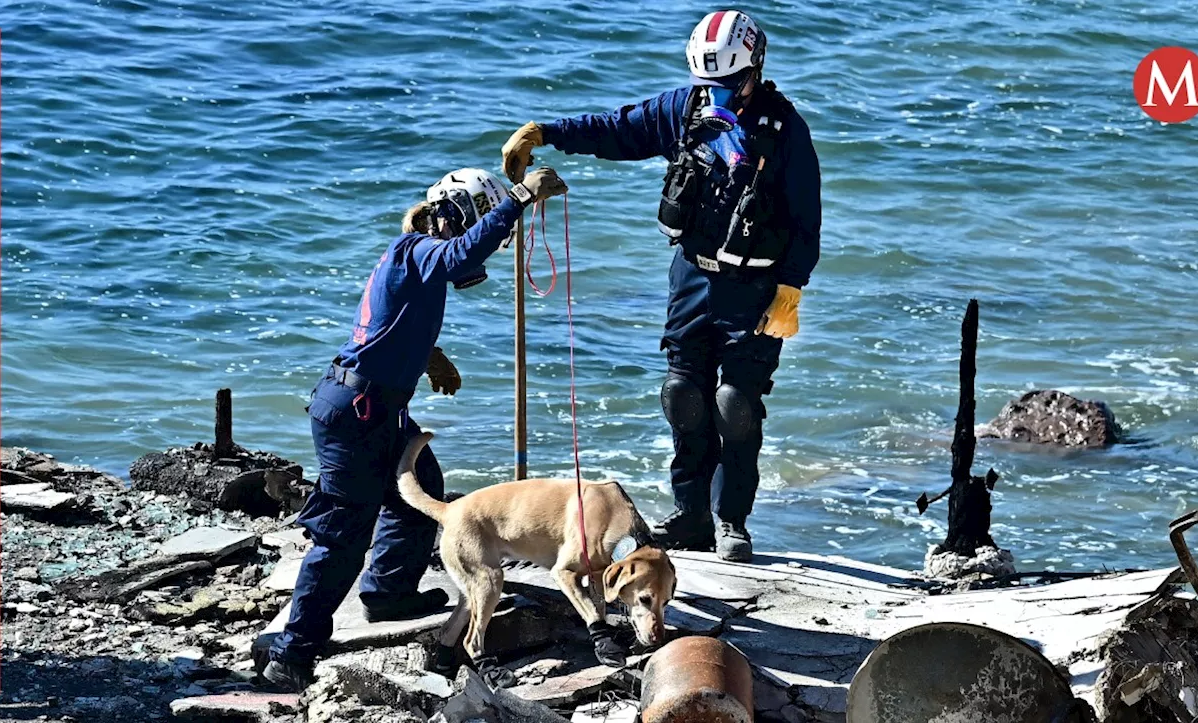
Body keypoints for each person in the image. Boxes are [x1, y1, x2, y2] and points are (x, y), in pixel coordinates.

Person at [500, 10, 820, 562]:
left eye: (728, 84)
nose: (717, 94)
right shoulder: (684, 110)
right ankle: (692, 514)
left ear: (755, 69)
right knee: (683, 397)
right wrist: (546, 133)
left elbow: (807, 222)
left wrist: (790, 291)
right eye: (708, 84)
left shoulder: (786, 130)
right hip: (693, 277)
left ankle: (731, 521)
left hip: (758, 288)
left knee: (735, 404)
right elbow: (617, 128)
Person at [263, 166, 569, 691]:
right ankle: (292, 652)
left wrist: (430, 356)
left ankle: (388, 592)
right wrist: (520, 196)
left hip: (378, 408)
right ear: (457, 215)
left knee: (419, 491)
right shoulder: (420, 249)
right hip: (354, 413)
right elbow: (460, 255)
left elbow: (394, 318)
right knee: (342, 534)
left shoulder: (414, 261)